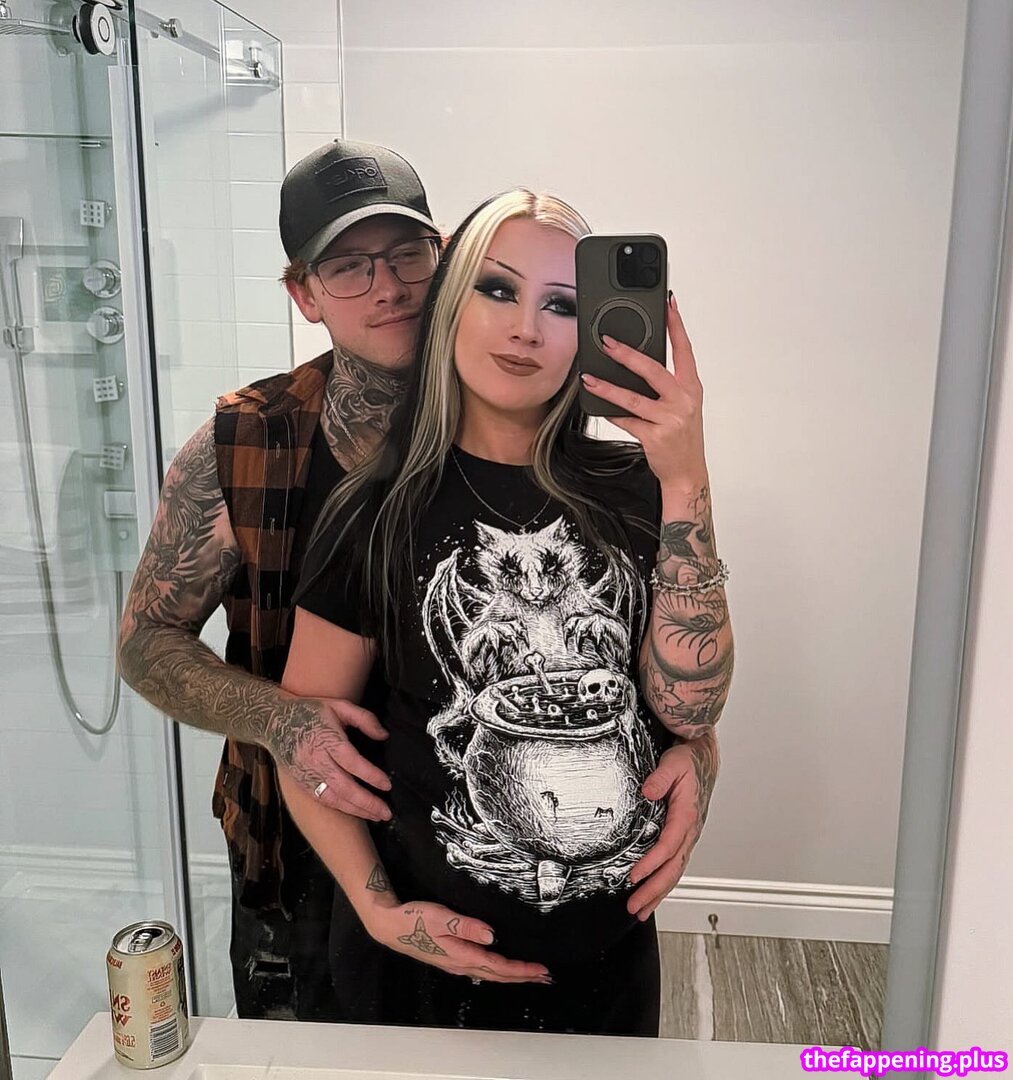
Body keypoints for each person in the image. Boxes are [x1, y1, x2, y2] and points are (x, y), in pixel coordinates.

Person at [277, 189, 733, 1036]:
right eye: (496, 289)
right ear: (450, 304)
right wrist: (377, 909)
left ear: (588, 332)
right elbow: (305, 743)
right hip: (422, 960)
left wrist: (685, 476)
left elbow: (689, 708)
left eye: (560, 305)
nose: (525, 328)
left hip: (605, 958)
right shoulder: (373, 510)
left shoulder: (640, 490)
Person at [116, 138, 443, 1020]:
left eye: (406, 253)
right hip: (292, 837)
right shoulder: (242, 444)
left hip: (474, 834)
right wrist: (281, 721)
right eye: (347, 266)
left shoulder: (513, 423)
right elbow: (146, 642)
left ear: (444, 257)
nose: (387, 286)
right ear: (304, 294)